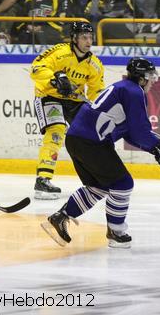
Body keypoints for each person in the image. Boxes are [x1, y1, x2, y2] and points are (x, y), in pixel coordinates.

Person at [41, 57, 160, 248]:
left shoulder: (124, 88)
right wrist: (157, 145)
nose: (153, 80)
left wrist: (155, 147)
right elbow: (138, 131)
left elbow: (129, 133)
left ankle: (61, 217)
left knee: (99, 187)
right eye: (150, 76)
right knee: (123, 183)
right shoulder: (134, 92)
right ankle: (116, 231)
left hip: (78, 139)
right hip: (90, 142)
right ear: (141, 78)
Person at [30, 21, 104, 199]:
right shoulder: (59, 52)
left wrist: (101, 109)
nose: (88, 41)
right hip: (49, 97)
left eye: (90, 37)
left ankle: (96, 177)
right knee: (56, 131)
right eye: (84, 37)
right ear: (74, 38)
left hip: (74, 101)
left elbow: (96, 92)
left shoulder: (94, 64)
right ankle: (43, 180)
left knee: (88, 135)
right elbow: (36, 69)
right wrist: (54, 79)